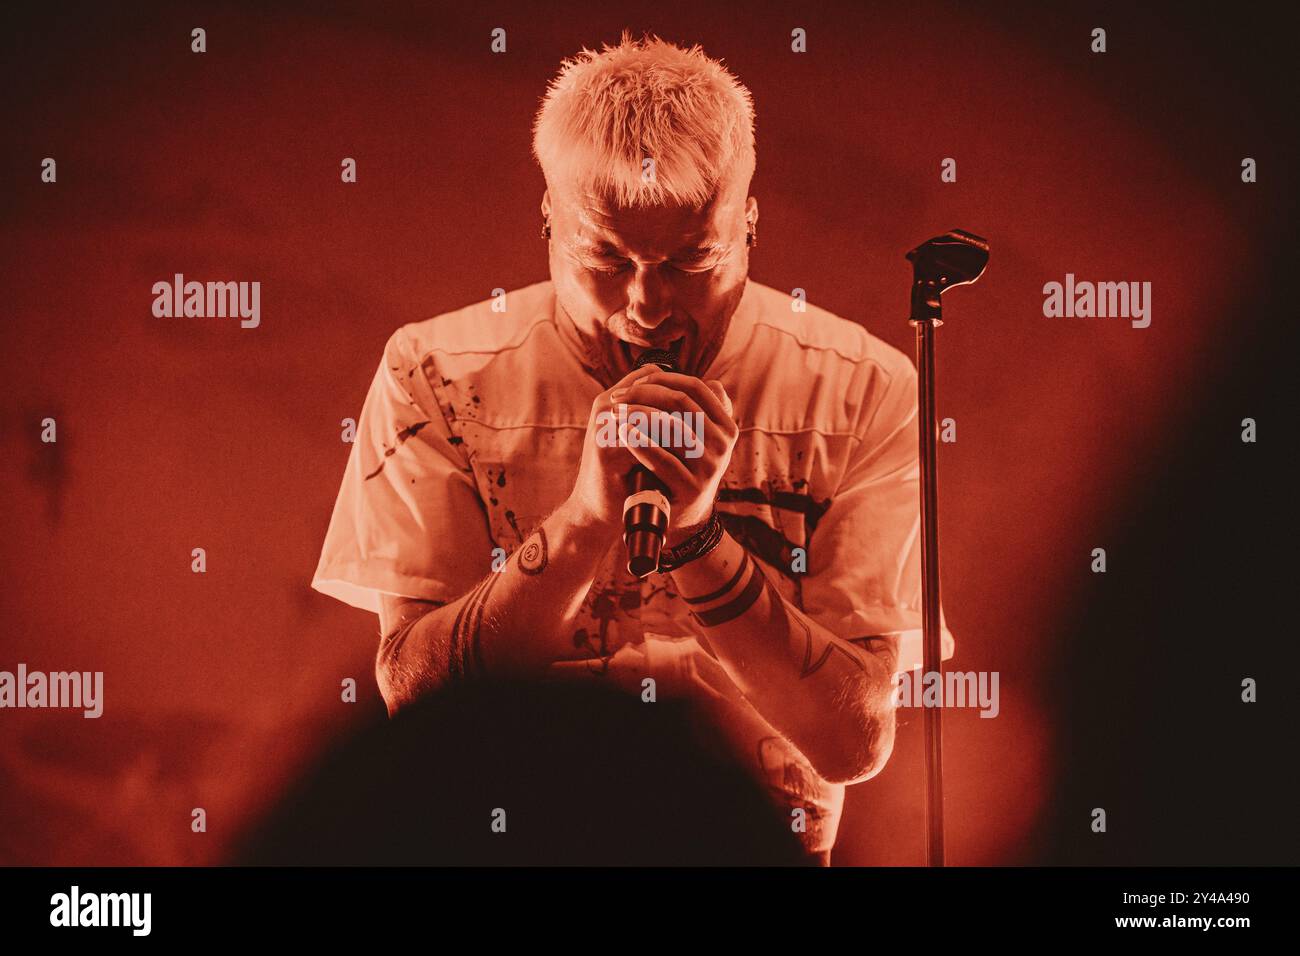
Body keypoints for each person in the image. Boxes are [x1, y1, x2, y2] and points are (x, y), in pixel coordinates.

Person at [312, 32, 955, 864]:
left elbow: (854, 742)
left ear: (748, 221)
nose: (645, 307)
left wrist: (697, 540)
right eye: (605, 260)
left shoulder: (864, 387)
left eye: (693, 261)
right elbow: (416, 698)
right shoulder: (434, 372)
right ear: (548, 218)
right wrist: (585, 519)